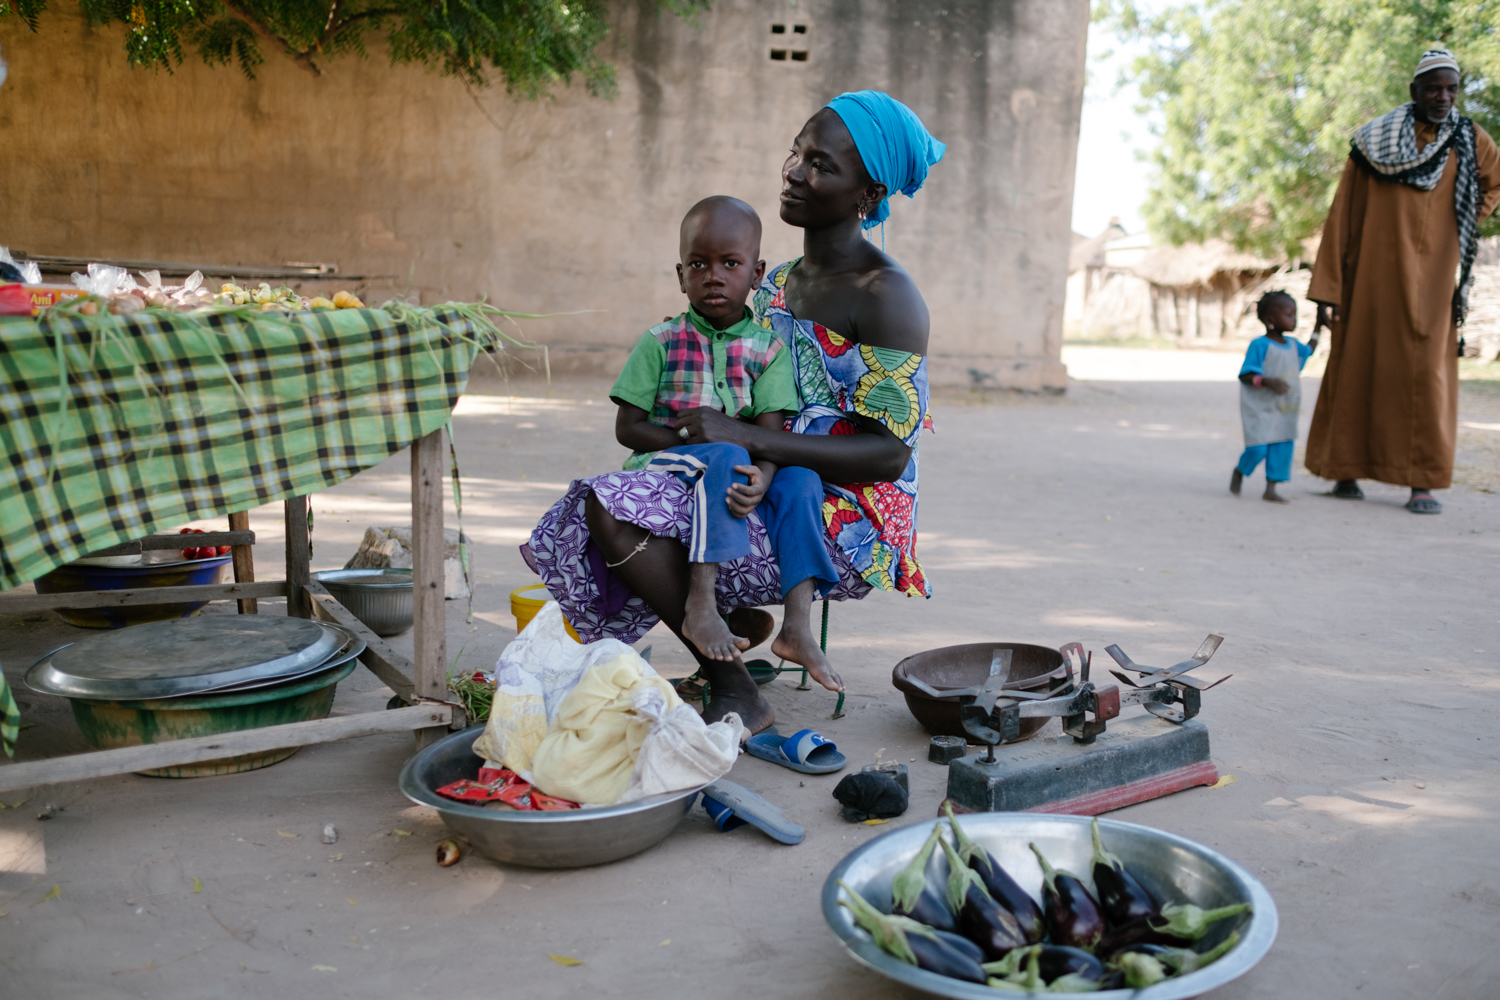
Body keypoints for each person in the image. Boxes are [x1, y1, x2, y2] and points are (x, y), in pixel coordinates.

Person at [524, 91, 943, 734]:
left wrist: (745, 439)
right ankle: (731, 633)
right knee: (613, 503)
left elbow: (888, 455)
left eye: (821, 166)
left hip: (840, 510)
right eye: (797, 153)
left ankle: (734, 684)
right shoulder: (772, 281)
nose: (795, 173)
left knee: (620, 517)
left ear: (869, 193)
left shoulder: (886, 296)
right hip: (753, 469)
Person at [606, 195, 839, 668]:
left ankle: (796, 626)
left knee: (802, 480)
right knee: (724, 453)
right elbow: (628, 429)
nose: (713, 276)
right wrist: (700, 445)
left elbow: (770, 435)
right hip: (666, 467)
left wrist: (764, 478)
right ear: (681, 276)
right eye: (698, 264)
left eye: (730, 263)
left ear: (756, 274)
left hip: (738, 469)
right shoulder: (660, 341)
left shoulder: (768, 350)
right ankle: (702, 602)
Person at [1305, 47, 1500, 514]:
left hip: (1433, 282)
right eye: (1433, 88)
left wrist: (1464, 219)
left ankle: (1421, 483)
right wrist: (1329, 288)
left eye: (1452, 88)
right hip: (1369, 276)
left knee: (1424, 375)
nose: (1443, 97)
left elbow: (1494, 184)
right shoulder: (1373, 141)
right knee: (1359, 366)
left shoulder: (1470, 139)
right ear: (1414, 91)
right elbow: (1342, 215)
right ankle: (1346, 471)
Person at [1230, 290, 1319, 503]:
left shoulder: (1294, 345)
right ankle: (1240, 471)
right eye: (1288, 314)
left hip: (1285, 408)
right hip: (1261, 409)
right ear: (1270, 320)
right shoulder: (1259, 345)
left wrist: (1319, 324)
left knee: (1282, 446)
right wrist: (1268, 381)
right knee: (1258, 448)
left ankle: (1270, 489)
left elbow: (1310, 349)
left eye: (1295, 314)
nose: (1294, 319)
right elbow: (1246, 375)